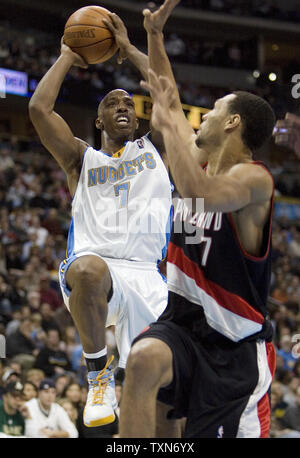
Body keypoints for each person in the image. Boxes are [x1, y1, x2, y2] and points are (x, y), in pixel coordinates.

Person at [119, 0, 276, 438]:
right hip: (183, 325)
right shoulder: (198, 160)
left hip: (235, 350)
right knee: (142, 359)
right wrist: (150, 36)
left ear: (233, 123)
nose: (202, 113)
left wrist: (168, 120)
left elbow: (198, 194)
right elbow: (165, 89)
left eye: (214, 109)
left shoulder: (254, 181)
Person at [28, 13, 172, 429]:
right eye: (113, 103)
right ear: (98, 120)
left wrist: (128, 48)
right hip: (95, 270)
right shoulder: (80, 158)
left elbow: (166, 93)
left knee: (166, 402)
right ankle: (98, 375)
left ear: (138, 118)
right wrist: (68, 57)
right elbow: (39, 108)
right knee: (87, 268)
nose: (123, 107)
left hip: (147, 276)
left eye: (129, 104)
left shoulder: (156, 147)